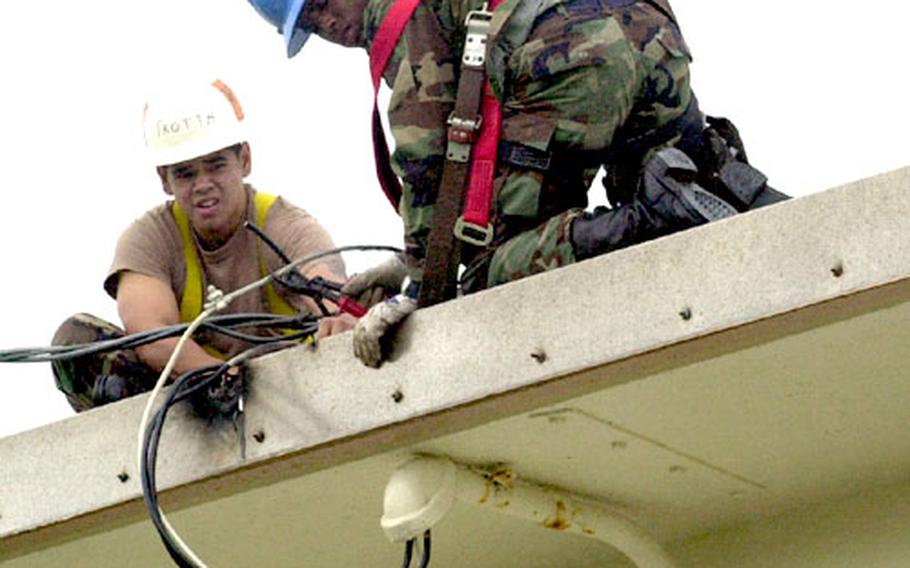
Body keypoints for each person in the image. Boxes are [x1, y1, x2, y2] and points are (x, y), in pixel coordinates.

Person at [246, 0, 788, 367]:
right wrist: (414, 262)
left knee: (496, 268)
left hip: (569, 53)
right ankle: (725, 187)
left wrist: (419, 288)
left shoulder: (396, 12)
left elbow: (425, 157)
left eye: (321, 3)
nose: (327, 24)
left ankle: (658, 219)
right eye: (310, 21)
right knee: (675, 175)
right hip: (648, 26)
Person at [51, 79, 353, 411]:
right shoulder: (149, 237)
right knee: (75, 344)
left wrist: (342, 317)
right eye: (185, 173)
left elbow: (327, 288)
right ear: (165, 181)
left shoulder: (286, 224)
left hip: (289, 388)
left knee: (372, 303)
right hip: (191, 394)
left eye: (216, 165)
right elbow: (150, 333)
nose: (203, 185)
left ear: (245, 160)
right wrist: (216, 376)